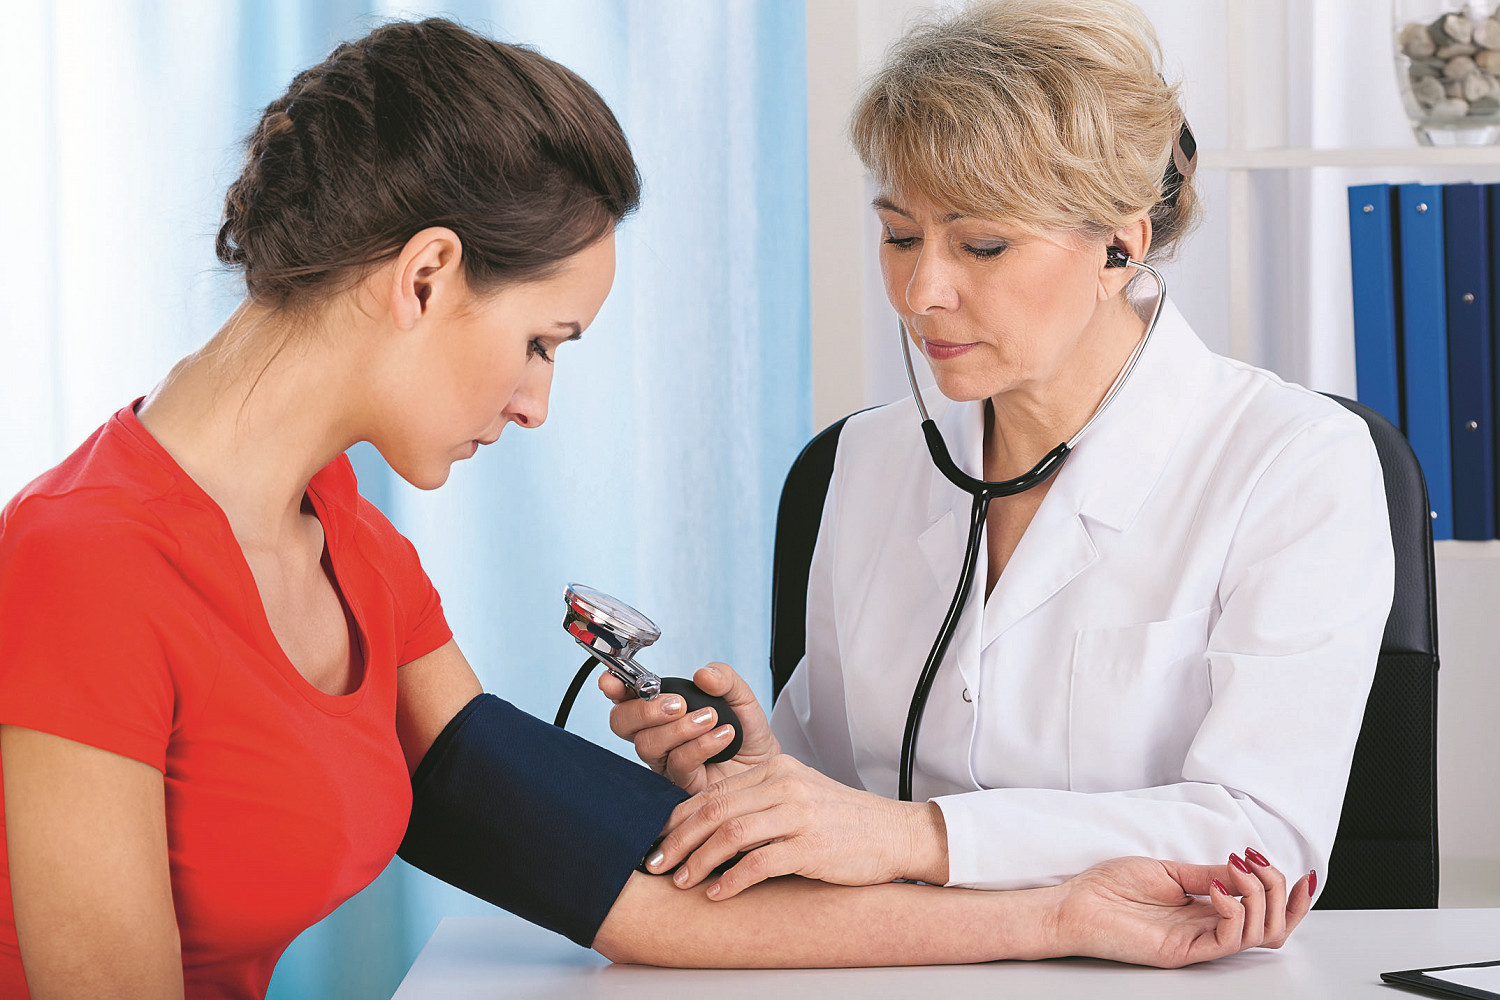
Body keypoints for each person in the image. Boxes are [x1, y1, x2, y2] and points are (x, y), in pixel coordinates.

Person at [0, 16, 1314, 1000]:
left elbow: (625, 891)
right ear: (427, 277)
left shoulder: (344, 537)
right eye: (544, 341)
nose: (537, 405)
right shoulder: (80, 567)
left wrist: (1059, 914)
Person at [608, 0, 1393, 907]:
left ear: (1119, 246)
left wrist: (923, 837)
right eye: (900, 235)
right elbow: (839, 791)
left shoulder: (1296, 465)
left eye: (981, 245)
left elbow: (1262, 838)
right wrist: (755, 779)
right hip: (887, 963)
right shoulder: (863, 459)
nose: (920, 291)